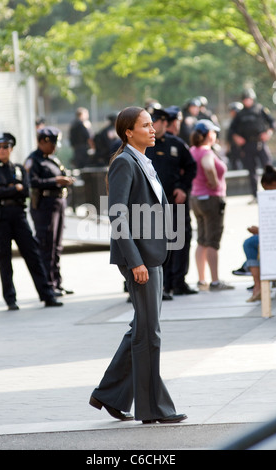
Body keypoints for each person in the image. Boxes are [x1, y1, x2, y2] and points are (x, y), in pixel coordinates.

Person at [89, 106, 187, 424]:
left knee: (141, 328)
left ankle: (109, 394)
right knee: (149, 334)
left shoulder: (143, 160)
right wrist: (135, 263)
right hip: (140, 260)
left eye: (151, 124)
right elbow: (117, 215)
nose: (152, 128)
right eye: (145, 125)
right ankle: (153, 408)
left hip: (150, 255)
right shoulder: (124, 162)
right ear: (128, 132)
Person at [0, 133, 63, 311]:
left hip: (18, 215)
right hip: (0, 217)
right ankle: (10, 299)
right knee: (4, 260)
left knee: (33, 255)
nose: (2, 150)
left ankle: (47, 295)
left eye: (5, 147)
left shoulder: (19, 168)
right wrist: (14, 187)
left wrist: (8, 188)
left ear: (11, 148)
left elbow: (25, 191)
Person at [146, 104, 197, 299]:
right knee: (160, 243)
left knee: (181, 241)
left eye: (154, 123)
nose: (151, 127)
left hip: (175, 202)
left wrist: (183, 187)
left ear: (164, 123)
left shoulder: (176, 144)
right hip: (153, 204)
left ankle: (178, 282)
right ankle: (163, 285)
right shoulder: (145, 146)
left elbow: (191, 167)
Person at [25, 126, 75, 297]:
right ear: (42, 142)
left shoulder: (52, 159)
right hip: (44, 206)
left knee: (57, 246)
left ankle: (57, 283)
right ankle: (48, 285)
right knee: (46, 246)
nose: (54, 147)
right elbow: (32, 182)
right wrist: (55, 180)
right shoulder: (34, 160)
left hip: (57, 203)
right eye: (52, 143)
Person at [190, 119, 234, 292]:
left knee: (201, 239)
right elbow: (208, 167)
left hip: (196, 198)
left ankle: (202, 279)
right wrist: (214, 182)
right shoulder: (206, 152)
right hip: (211, 199)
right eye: (214, 133)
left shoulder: (192, 150)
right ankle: (215, 281)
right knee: (212, 241)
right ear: (209, 135)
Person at [235, 165, 276, 302]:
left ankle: (258, 285)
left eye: (267, 189)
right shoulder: (272, 199)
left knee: (249, 243)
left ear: (274, 185)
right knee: (251, 242)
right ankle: (258, 284)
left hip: (275, 238)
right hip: (273, 237)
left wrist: (261, 231)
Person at [229, 88, 276, 203]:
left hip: (260, 143)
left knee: (268, 167)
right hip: (247, 145)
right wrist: (237, 138)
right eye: (245, 99)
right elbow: (232, 130)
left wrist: (268, 133)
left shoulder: (260, 109)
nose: (247, 101)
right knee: (252, 171)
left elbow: (272, 123)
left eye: (249, 99)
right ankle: (255, 195)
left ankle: (272, 193)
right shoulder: (240, 114)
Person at [226, 102, 244, 170]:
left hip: (245, 148)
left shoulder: (245, 122)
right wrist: (228, 149)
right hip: (234, 148)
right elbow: (229, 137)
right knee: (234, 165)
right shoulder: (232, 123)